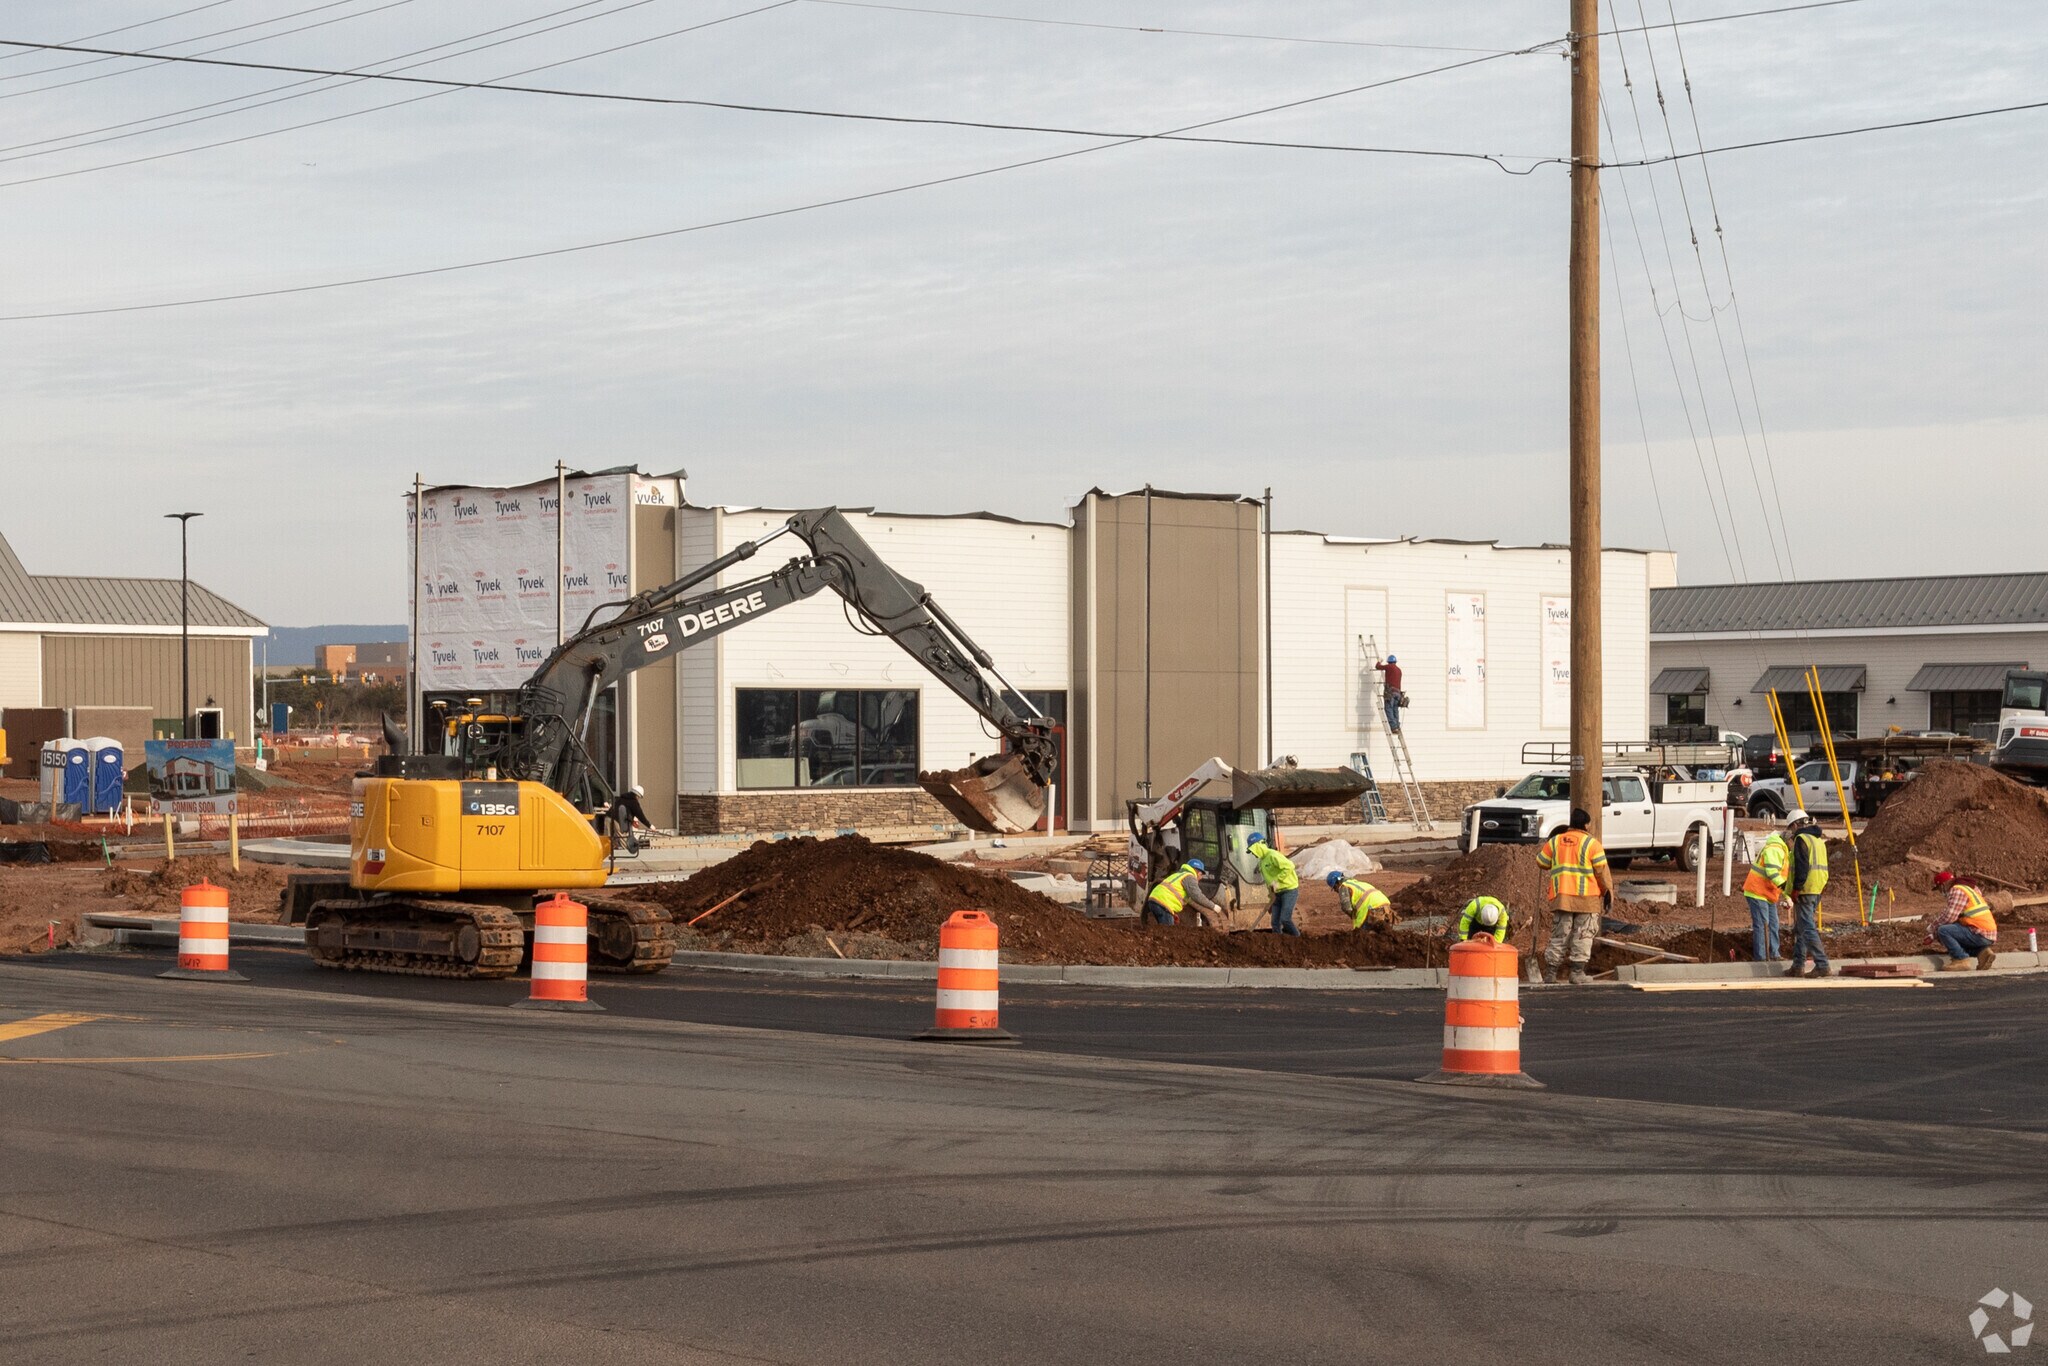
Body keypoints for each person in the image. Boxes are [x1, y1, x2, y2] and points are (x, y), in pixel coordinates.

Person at [1536, 809, 1614, 984]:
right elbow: (1602, 872)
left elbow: (1541, 862)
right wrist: (1608, 893)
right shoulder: (1592, 844)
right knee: (1583, 934)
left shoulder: (1555, 841)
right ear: (1586, 825)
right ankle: (1577, 973)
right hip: (1587, 899)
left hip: (1562, 897)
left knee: (1559, 934)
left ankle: (1550, 974)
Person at [1785, 812, 1832, 978]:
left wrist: (1796, 888)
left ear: (1796, 825)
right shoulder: (1818, 840)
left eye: (1791, 827)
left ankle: (1822, 964)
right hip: (1817, 887)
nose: (1791, 831)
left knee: (1807, 928)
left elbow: (1802, 867)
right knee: (1801, 928)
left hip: (1806, 889)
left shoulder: (1801, 840)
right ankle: (1798, 965)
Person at [1742, 819, 1792, 963]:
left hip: (1767, 893)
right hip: (1757, 892)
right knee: (1762, 925)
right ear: (1789, 840)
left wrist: (1786, 895)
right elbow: (1772, 872)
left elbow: (1780, 877)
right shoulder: (1775, 848)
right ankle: (1762, 958)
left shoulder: (1782, 850)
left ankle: (1774, 954)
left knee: (1773, 923)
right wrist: (1786, 895)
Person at [1930, 871, 1999, 971]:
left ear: (1943, 884)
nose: (1941, 892)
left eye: (1940, 888)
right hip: (1988, 933)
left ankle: (1960, 959)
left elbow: (1949, 916)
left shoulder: (1956, 890)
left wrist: (1933, 928)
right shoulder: (1971, 888)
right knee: (1954, 933)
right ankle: (1983, 952)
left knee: (1943, 931)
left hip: (1979, 932)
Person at [1246, 831, 1301, 936]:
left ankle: (1298, 939)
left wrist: (1277, 881)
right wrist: (1271, 897)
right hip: (1277, 894)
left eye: (1252, 850)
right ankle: (1278, 945)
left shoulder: (1273, 855)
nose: (1253, 854)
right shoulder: (1262, 863)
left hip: (1289, 890)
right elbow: (1269, 882)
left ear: (1258, 846)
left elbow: (1289, 866)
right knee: (1275, 923)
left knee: (1285, 919)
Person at [1145, 858, 1223, 928]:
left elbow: (1172, 893)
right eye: (1201, 874)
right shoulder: (1189, 877)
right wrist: (1213, 906)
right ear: (1198, 871)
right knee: (1168, 933)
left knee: (1161, 930)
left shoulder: (1178, 875)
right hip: (1163, 904)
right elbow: (1197, 896)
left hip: (1154, 901)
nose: (1201, 877)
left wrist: (1172, 913)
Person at [1326, 870, 1391, 929]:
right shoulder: (1355, 882)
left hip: (1372, 909)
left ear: (1337, 883)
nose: (1335, 890)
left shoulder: (1343, 887)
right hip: (1385, 905)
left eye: (1334, 888)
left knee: (1363, 936)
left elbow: (1346, 907)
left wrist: (1353, 915)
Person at [1373, 654, 1404, 734]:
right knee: (1395, 710)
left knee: (1388, 709)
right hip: (1398, 693)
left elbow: (1378, 667)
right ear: (1395, 662)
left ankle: (1393, 727)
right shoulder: (1399, 670)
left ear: (1389, 662)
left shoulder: (1389, 667)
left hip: (1390, 693)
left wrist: (1379, 661)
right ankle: (1397, 726)